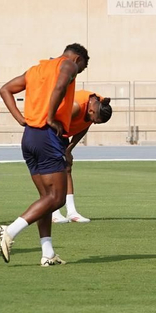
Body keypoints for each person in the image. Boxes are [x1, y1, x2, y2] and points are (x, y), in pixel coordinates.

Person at [0, 46, 87, 267]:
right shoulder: (68, 64)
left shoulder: (37, 69)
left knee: (46, 199)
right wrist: (50, 117)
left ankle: (47, 252)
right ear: (77, 58)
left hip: (30, 136)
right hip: (47, 136)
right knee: (58, 198)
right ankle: (10, 230)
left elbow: (5, 89)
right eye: (81, 68)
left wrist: (20, 118)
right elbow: (60, 86)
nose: (78, 72)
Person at [51, 90, 113, 224]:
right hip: (50, 132)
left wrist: (69, 150)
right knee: (54, 170)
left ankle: (71, 211)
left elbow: (85, 126)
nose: (94, 123)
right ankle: (53, 211)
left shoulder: (99, 105)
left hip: (63, 135)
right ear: (91, 111)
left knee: (67, 169)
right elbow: (52, 121)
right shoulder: (76, 106)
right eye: (95, 121)